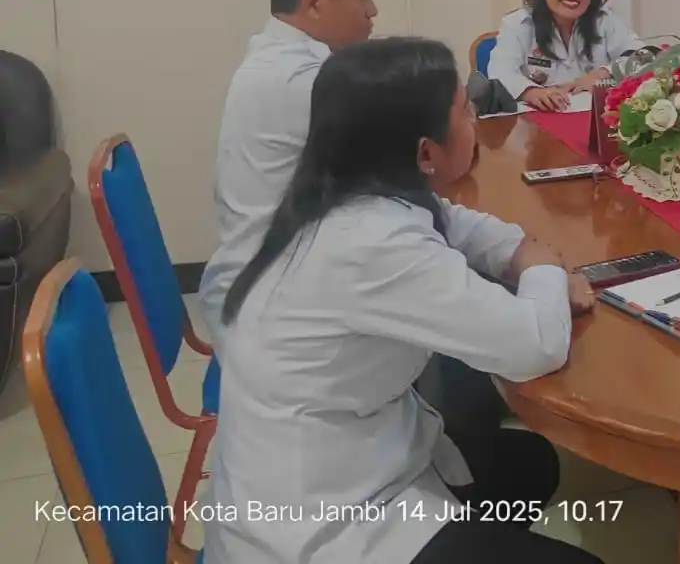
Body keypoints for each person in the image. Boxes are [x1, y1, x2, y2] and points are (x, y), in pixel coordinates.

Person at [208, 38, 601, 564]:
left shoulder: (343, 195)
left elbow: (463, 226)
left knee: (528, 463)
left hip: (353, 454)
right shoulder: (373, 244)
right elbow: (536, 345)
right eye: (464, 110)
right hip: (322, 524)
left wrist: (521, 251)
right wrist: (545, 266)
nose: (475, 118)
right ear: (424, 152)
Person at [198, 0, 376, 343]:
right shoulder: (298, 80)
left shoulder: (277, 58)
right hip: (271, 302)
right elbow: (413, 157)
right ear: (314, 2)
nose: (372, 11)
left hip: (274, 272)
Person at [487, 0, 644, 111]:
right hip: (537, 120)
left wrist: (605, 73)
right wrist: (531, 92)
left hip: (593, 118)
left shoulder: (604, 21)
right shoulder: (518, 24)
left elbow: (644, 58)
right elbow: (499, 72)